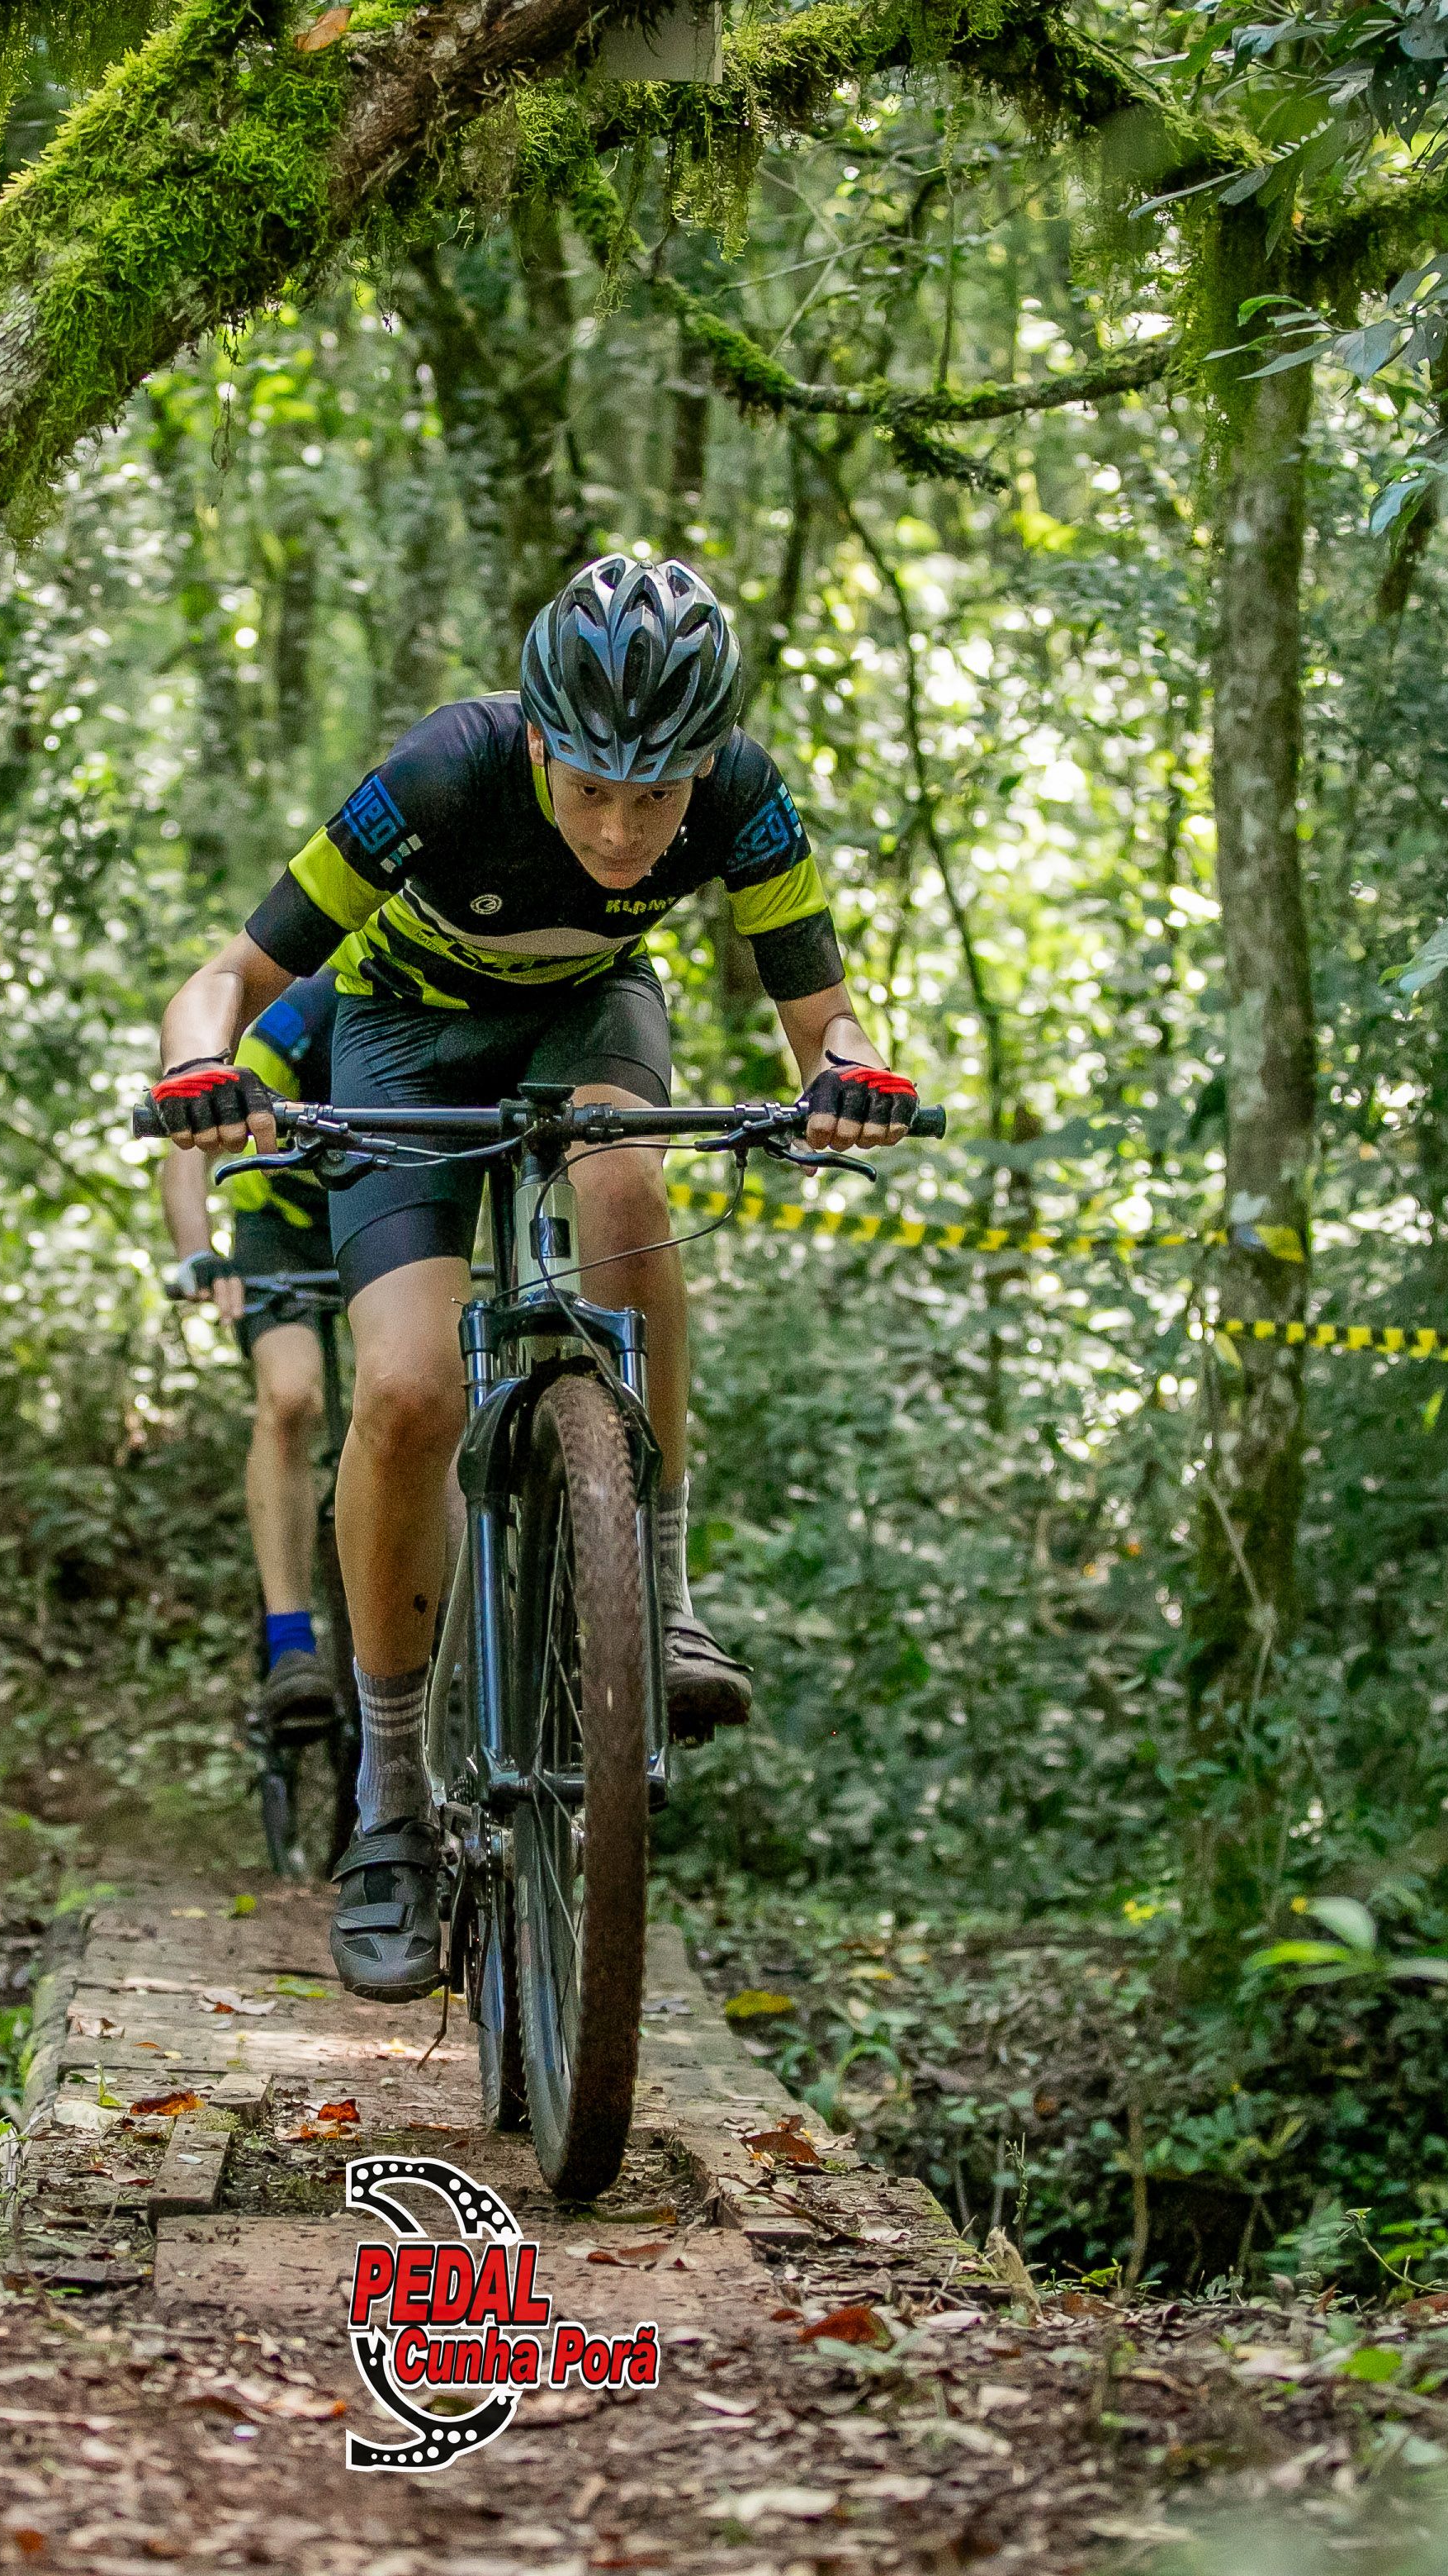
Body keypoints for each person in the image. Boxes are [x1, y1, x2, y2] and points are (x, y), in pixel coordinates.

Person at [145, 556, 918, 1999]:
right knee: (406, 1391)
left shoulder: (746, 796)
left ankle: (663, 1595)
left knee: (626, 1178)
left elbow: (826, 1017)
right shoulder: (446, 770)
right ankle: (390, 1802)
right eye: (591, 790)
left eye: (657, 797)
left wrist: (851, 1077)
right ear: (541, 743)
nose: (622, 832)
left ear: (705, 767)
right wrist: (201, 1064)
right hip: (401, 1035)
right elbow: (229, 978)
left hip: (588, 1016)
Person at [156, 968, 346, 1740]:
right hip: (281, 1233)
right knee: (292, 1396)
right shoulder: (296, 1021)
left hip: (393, 1216)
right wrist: (199, 1253)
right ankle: (290, 1640)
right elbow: (188, 1150)